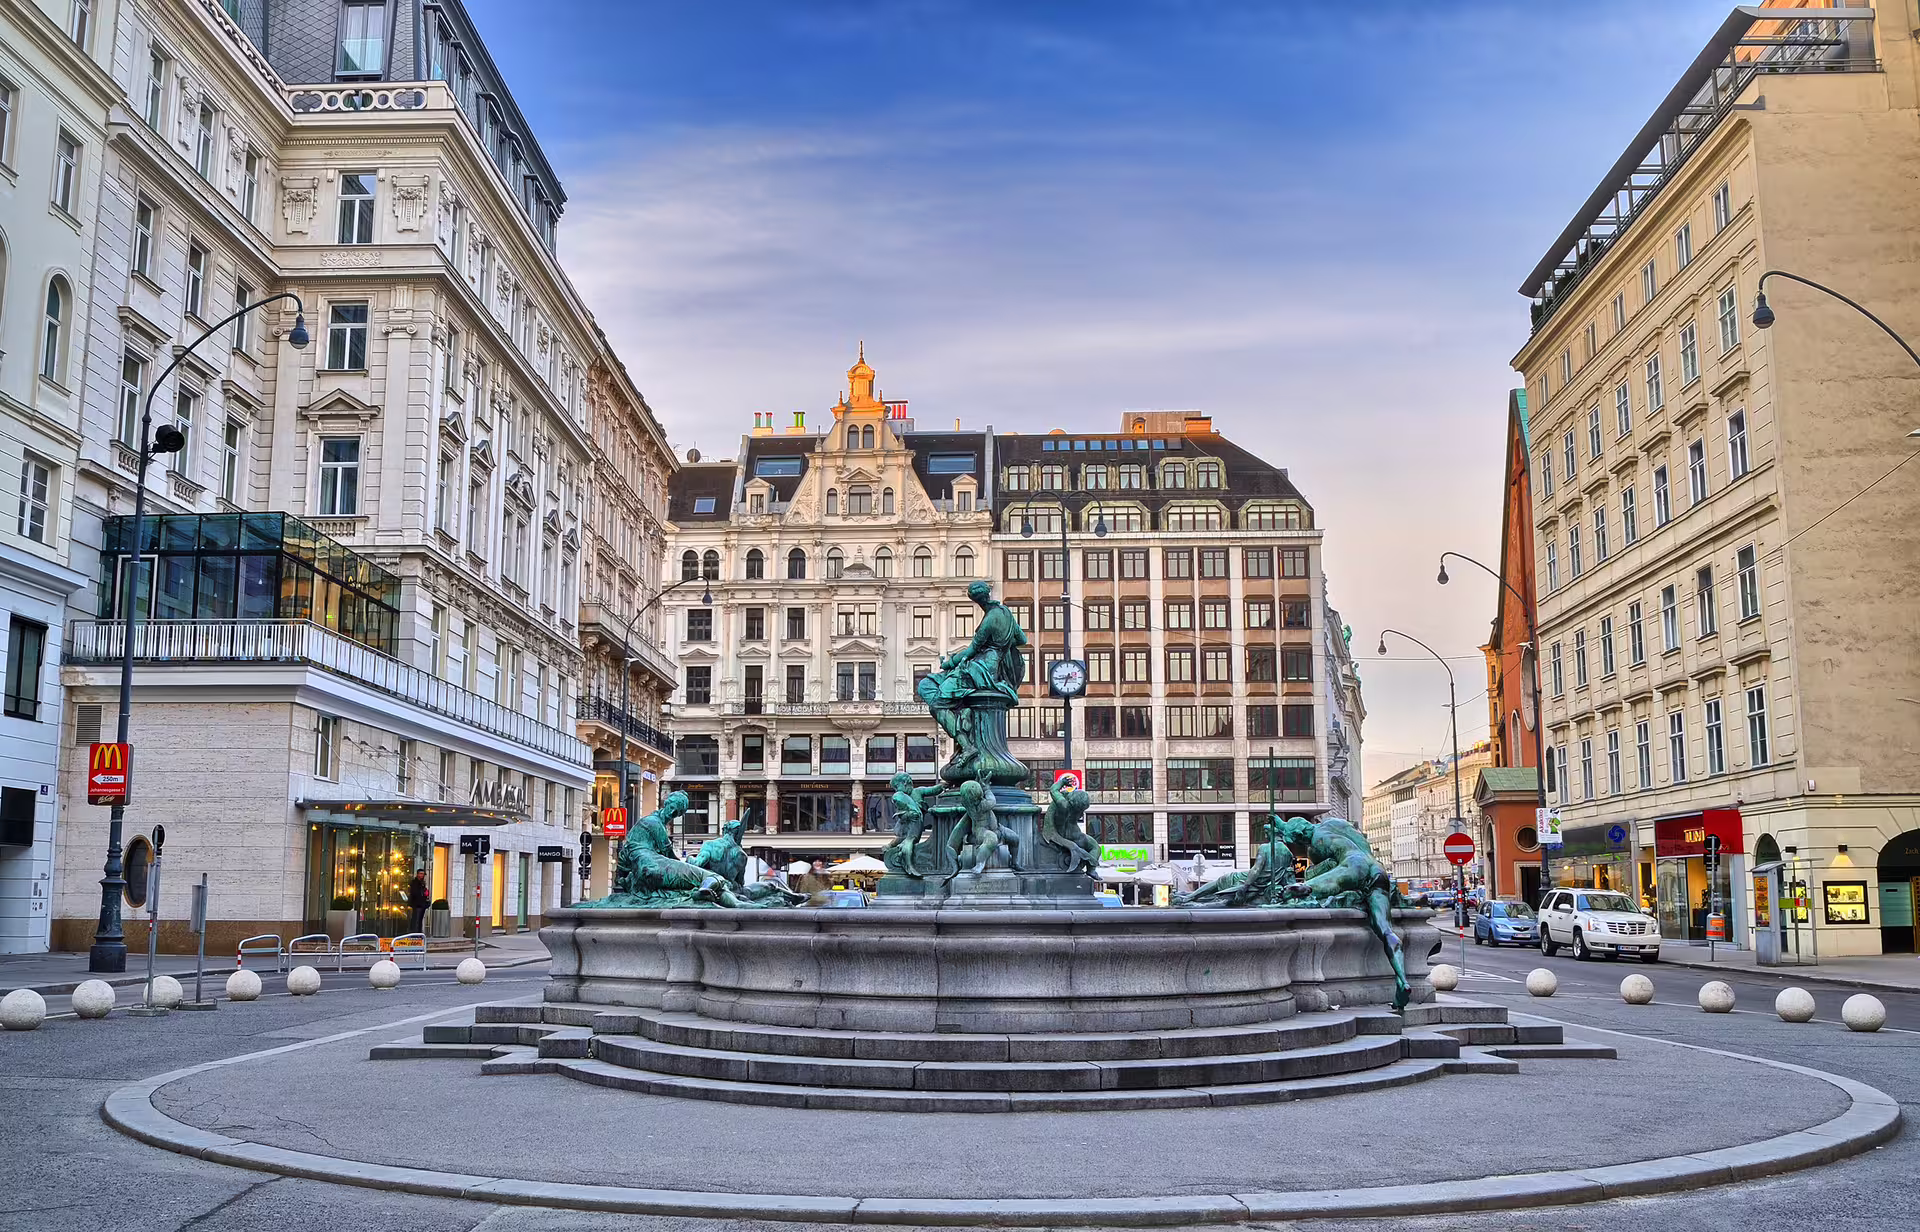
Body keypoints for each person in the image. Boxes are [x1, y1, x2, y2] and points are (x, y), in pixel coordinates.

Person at [408, 869, 430, 933]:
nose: (422, 875)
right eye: (420, 874)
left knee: (420, 919)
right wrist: (423, 893)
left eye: (423, 874)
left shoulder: (422, 882)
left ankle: (418, 933)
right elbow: (415, 893)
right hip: (417, 904)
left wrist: (425, 893)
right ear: (417, 874)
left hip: (422, 904)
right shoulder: (415, 882)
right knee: (416, 919)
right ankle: (415, 933)